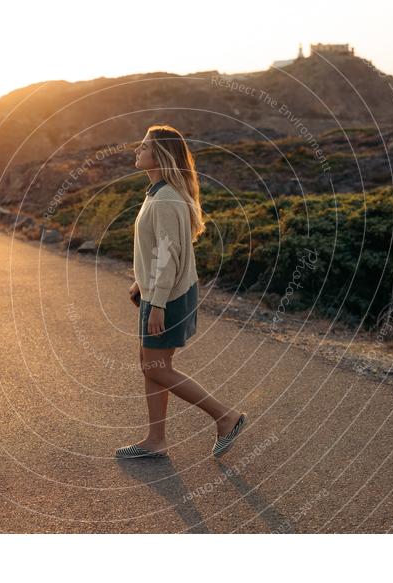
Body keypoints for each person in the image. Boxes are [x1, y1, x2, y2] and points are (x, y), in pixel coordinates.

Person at [115, 124, 247, 459]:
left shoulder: (166, 199)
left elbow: (169, 256)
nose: (137, 150)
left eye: (144, 146)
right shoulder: (156, 194)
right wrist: (141, 283)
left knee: (156, 368)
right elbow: (159, 250)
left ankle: (226, 417)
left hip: (168, 297)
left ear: (159, 154)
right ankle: (155, 440)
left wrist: (156, 302)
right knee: (151, 365)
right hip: (159, 292)